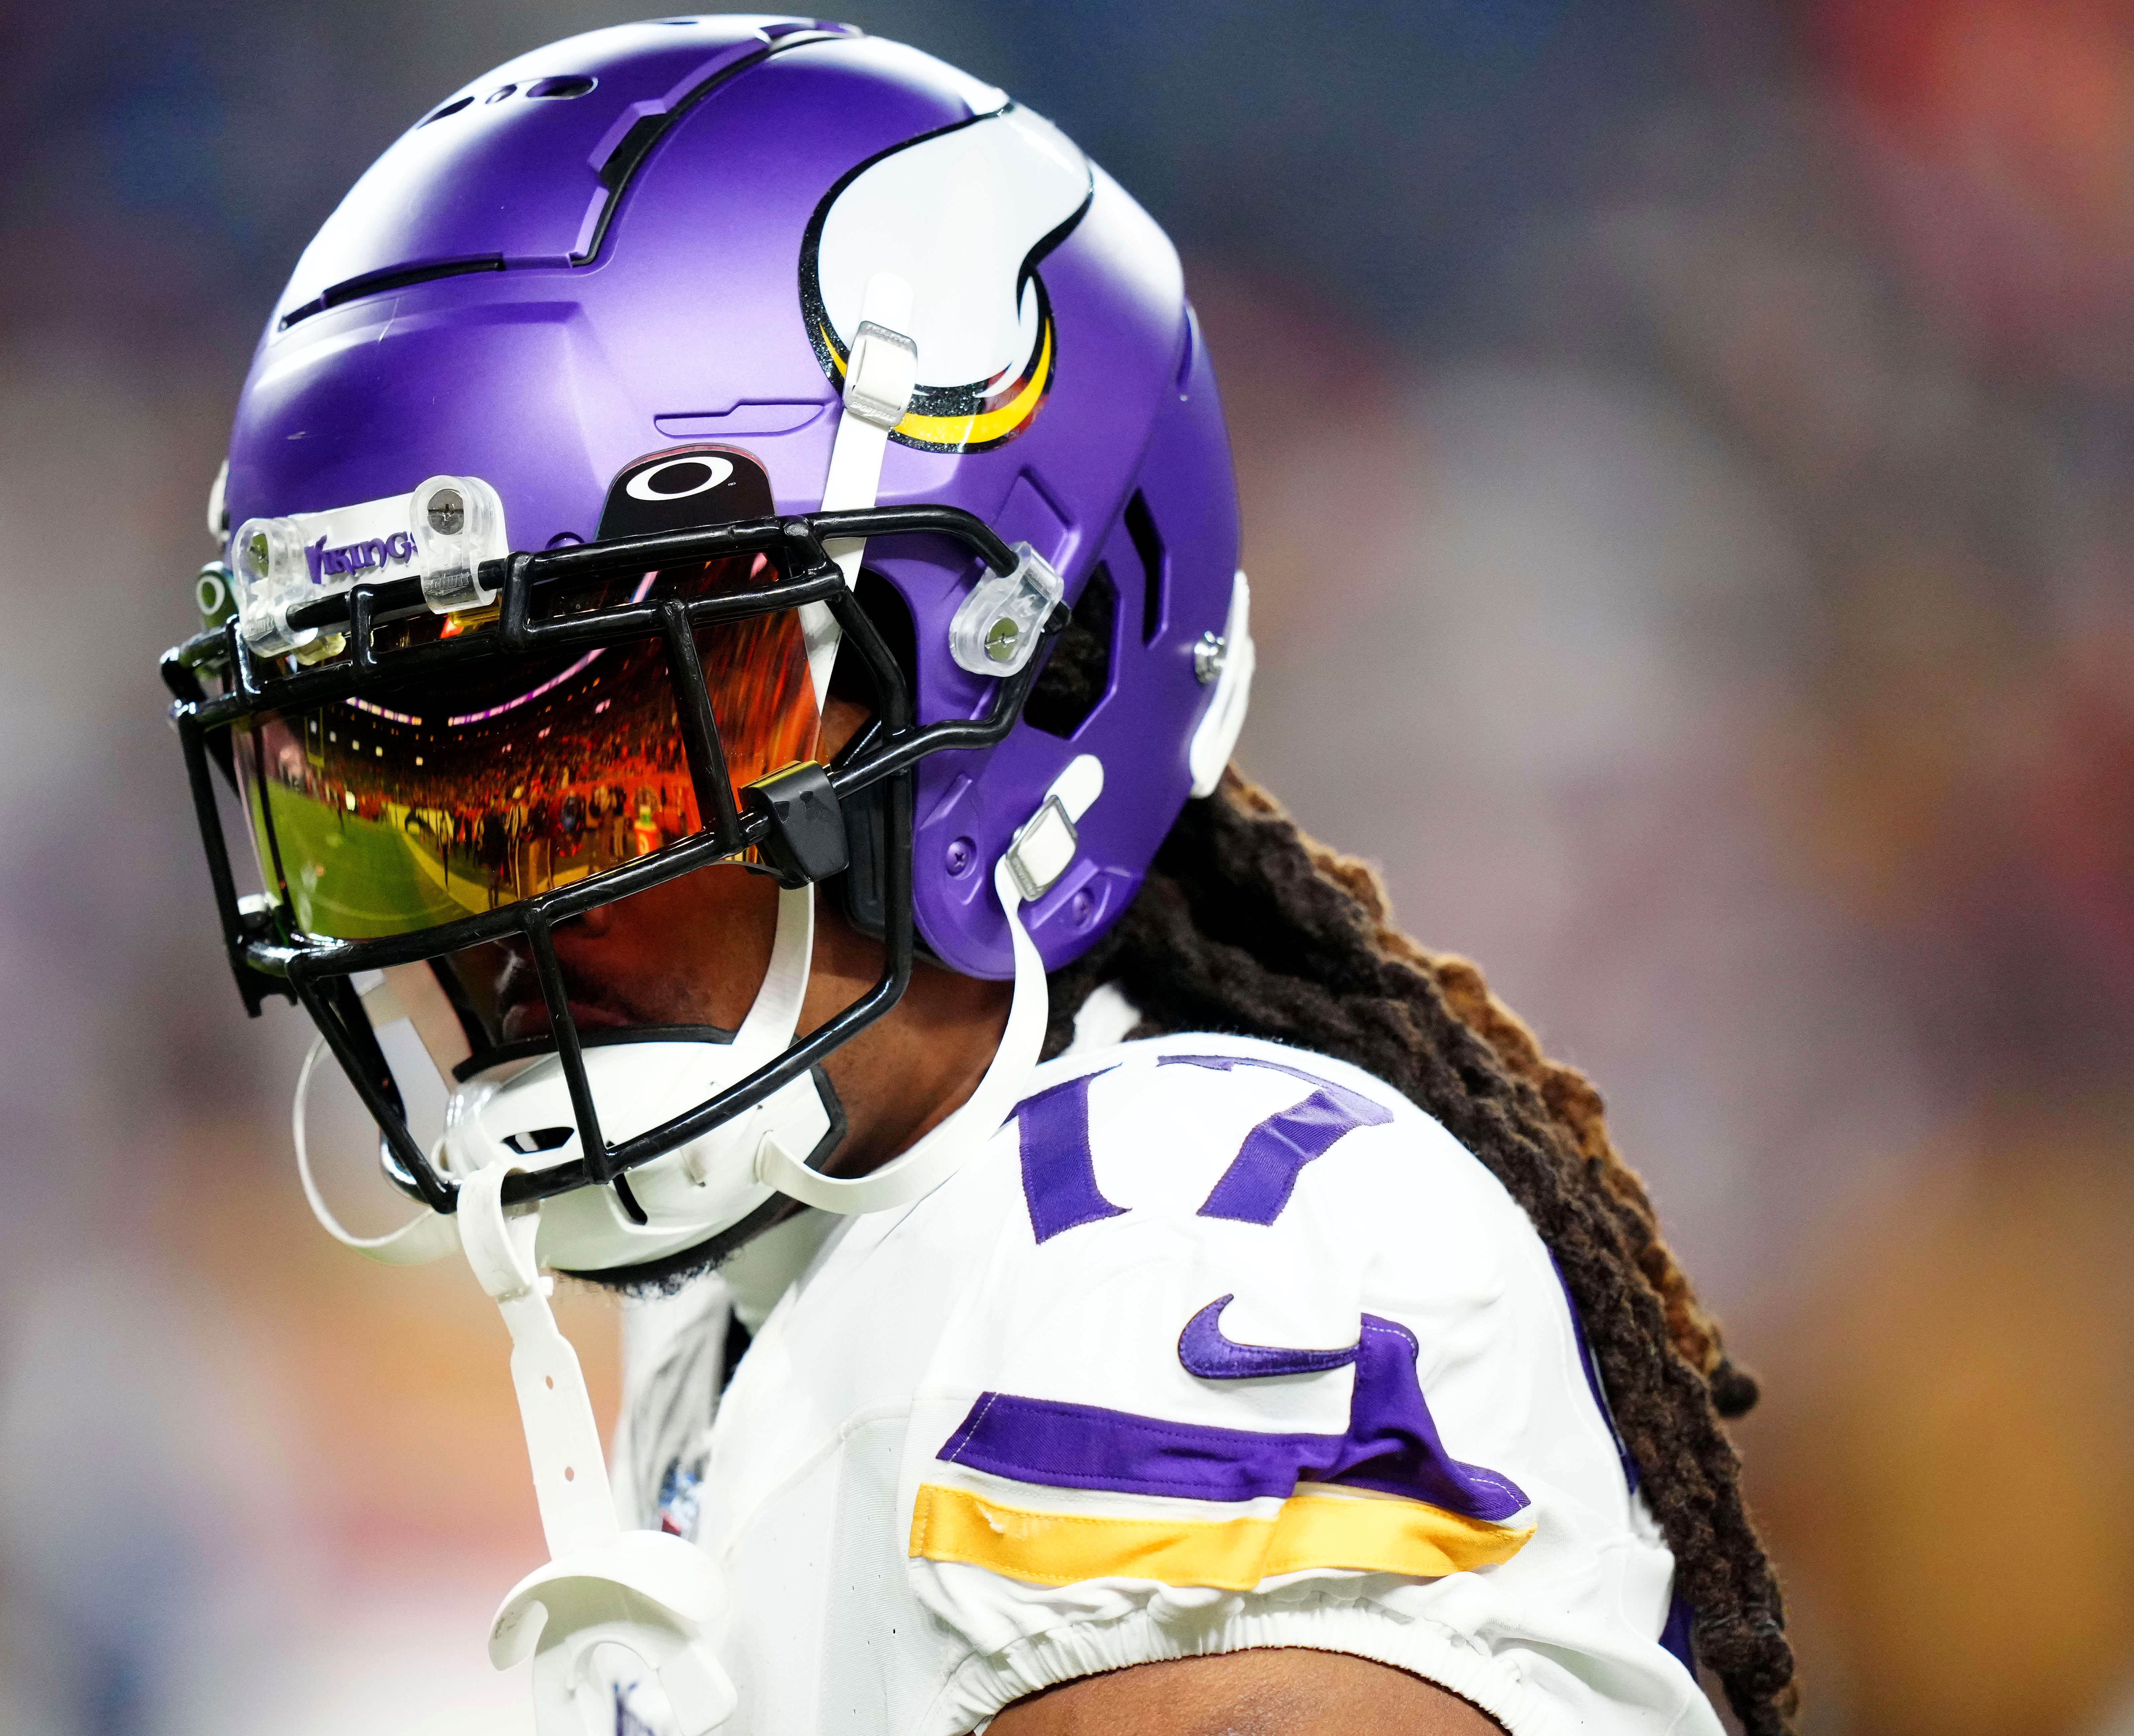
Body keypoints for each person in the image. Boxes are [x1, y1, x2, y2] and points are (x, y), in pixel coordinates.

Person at [158, 18, 1793, 1736]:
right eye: (380, 789)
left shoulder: (1164, 1254)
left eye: (588, 761)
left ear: (1031, 668)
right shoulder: (758, 1305)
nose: (493, 925)